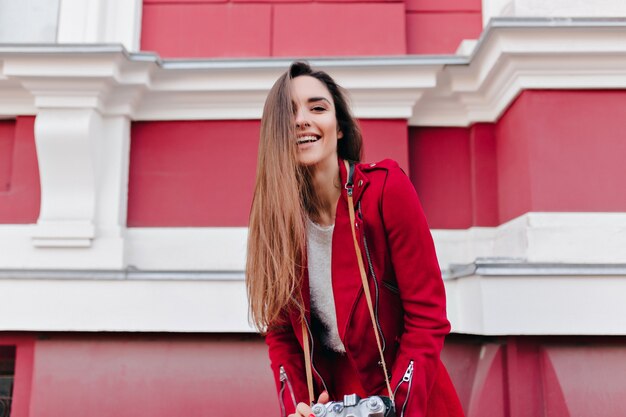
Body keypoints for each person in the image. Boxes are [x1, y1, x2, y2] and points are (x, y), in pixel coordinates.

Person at [246, 61, 464, 417]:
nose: (303, 120)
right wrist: (297, 406)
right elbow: (281, 333)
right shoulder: (275, 220)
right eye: (289, 112)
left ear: (340, 127)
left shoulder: (385, 190)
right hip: (334, 403)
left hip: (409, 397)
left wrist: (397, 406)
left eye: (318, 107)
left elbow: (428, 317)